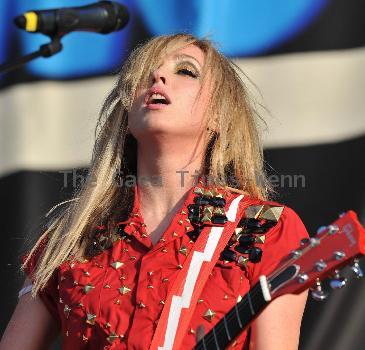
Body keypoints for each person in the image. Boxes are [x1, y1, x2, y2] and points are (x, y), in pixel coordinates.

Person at [0, 33, 309, 350]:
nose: (158, 77)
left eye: (185, 71)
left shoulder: (266, 228)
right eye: (145, 74)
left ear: (219, 114)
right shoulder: (70, 241)